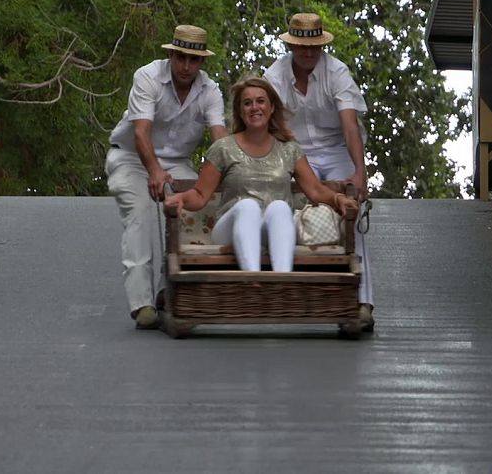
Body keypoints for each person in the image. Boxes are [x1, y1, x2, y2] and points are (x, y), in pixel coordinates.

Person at [164, 77, 358, 273]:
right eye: (247, 103)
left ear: (271, 107)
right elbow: (200, 195)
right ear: (240, 111)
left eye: (260, 101)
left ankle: (281, 280)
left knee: (280, 207)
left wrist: (338, 198)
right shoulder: (223, 148)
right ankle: (252, 279)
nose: (254, 107)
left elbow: (315, 190)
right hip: (230, 229)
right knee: (248, 207)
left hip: (272, 229)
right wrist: (181, 198)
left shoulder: (289, 149)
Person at [106, 25, 227, 329]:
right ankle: (142, 304)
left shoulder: (210, 91)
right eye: (181, 57)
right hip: (132, 157)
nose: (186, 66)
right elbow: (141, 132)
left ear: (202, 61)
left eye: (193, 60)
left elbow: (220, 140)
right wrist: (154, 170)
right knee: (141, 214)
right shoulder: (147, 76)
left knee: (197, 209)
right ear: (171, 55)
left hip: (178, 164)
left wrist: (226, 176)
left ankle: (169, 291)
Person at [263, 12, 375, 329]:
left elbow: (350, 126)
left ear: (322, 46)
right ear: (291, 46)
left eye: (314, 46)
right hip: (297, 151)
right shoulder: (275, 75)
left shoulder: (337, 72)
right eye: (302, 46)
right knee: (287, 208)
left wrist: (359, 171)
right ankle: (296, 296)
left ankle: (362, 302)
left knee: (350, 213)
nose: (308, 52)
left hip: (336, 148)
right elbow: (269, 124)